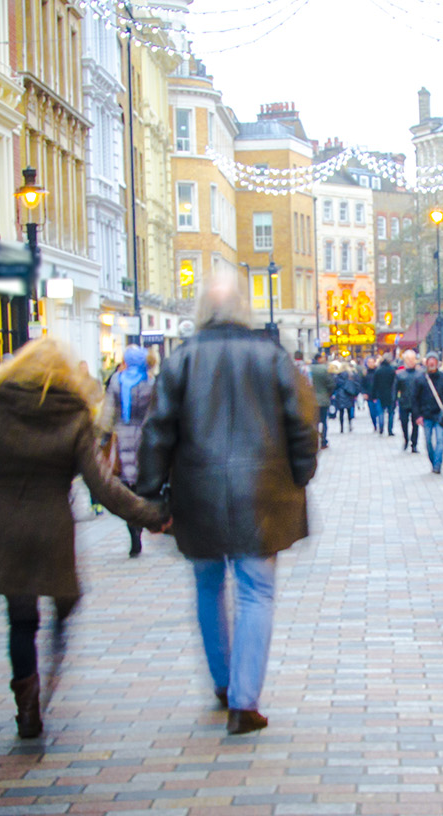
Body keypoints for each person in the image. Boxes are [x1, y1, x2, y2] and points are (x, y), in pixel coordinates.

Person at [0, 337, 168, 740]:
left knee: (20, 621)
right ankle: (56, 643)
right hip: (53, 528)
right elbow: (103, 487)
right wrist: (151, 515)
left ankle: (27, 705)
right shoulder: (72, 416)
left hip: (7, 527)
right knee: (64, 598)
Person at [137, 270, 318, 735]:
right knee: (256, 590)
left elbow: (158, 431)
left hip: (198, 493)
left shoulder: (181, 361)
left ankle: (222, 683)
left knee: (207, 585)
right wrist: (301, 474)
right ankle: (244, 702)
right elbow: (302, 422)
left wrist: (151, 493)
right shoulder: (272, 356)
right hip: (262, 491)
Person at [101, 345, 159, 558]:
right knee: (141, 487)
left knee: (126, 487)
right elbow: (157, 412)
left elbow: (108, 412)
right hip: (145, 440)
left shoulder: (117, 380)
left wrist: (104, 436)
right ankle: (140, 523)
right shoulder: (150, 382)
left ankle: (133, 529)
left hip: (122, 438)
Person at [415, 354, 443, 473]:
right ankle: (433, 460)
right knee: (428, 441)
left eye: (434, 360)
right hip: (426, 415)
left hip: (440, 414)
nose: (432, 363)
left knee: (440, 440)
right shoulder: (421, 378)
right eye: (430, 361)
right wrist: (418, 415)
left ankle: (437, 464)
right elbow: (415, 398)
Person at [395, 350, 422, 453]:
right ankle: (406, 439)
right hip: (404, 402)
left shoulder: (420, 374)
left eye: (412, 359)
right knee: (404, 423)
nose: (411, 361)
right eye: (408, 359)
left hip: (416, 404)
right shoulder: (400, 375)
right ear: (405, 361)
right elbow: (395, 389)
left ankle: (414, 444)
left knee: (415, 425)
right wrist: (395, 402)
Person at [308, 353, 335, 449]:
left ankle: (313, 441)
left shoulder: (307, 369)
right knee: (323, 421)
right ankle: (323, 441)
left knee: (313, 422)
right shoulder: (324, 369)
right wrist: (328, 394)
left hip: (310, 400)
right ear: (319, 359)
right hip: (323, 400)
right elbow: (331, 384)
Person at [371, 355, 398, 438]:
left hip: (380, 394)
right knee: (390, 413)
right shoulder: (392, 370)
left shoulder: (378, 370)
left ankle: (381, 428)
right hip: (390, 394)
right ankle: (390, 430)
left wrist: (374, 395)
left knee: (381, 412)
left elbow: (374, 384)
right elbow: (395, 384)